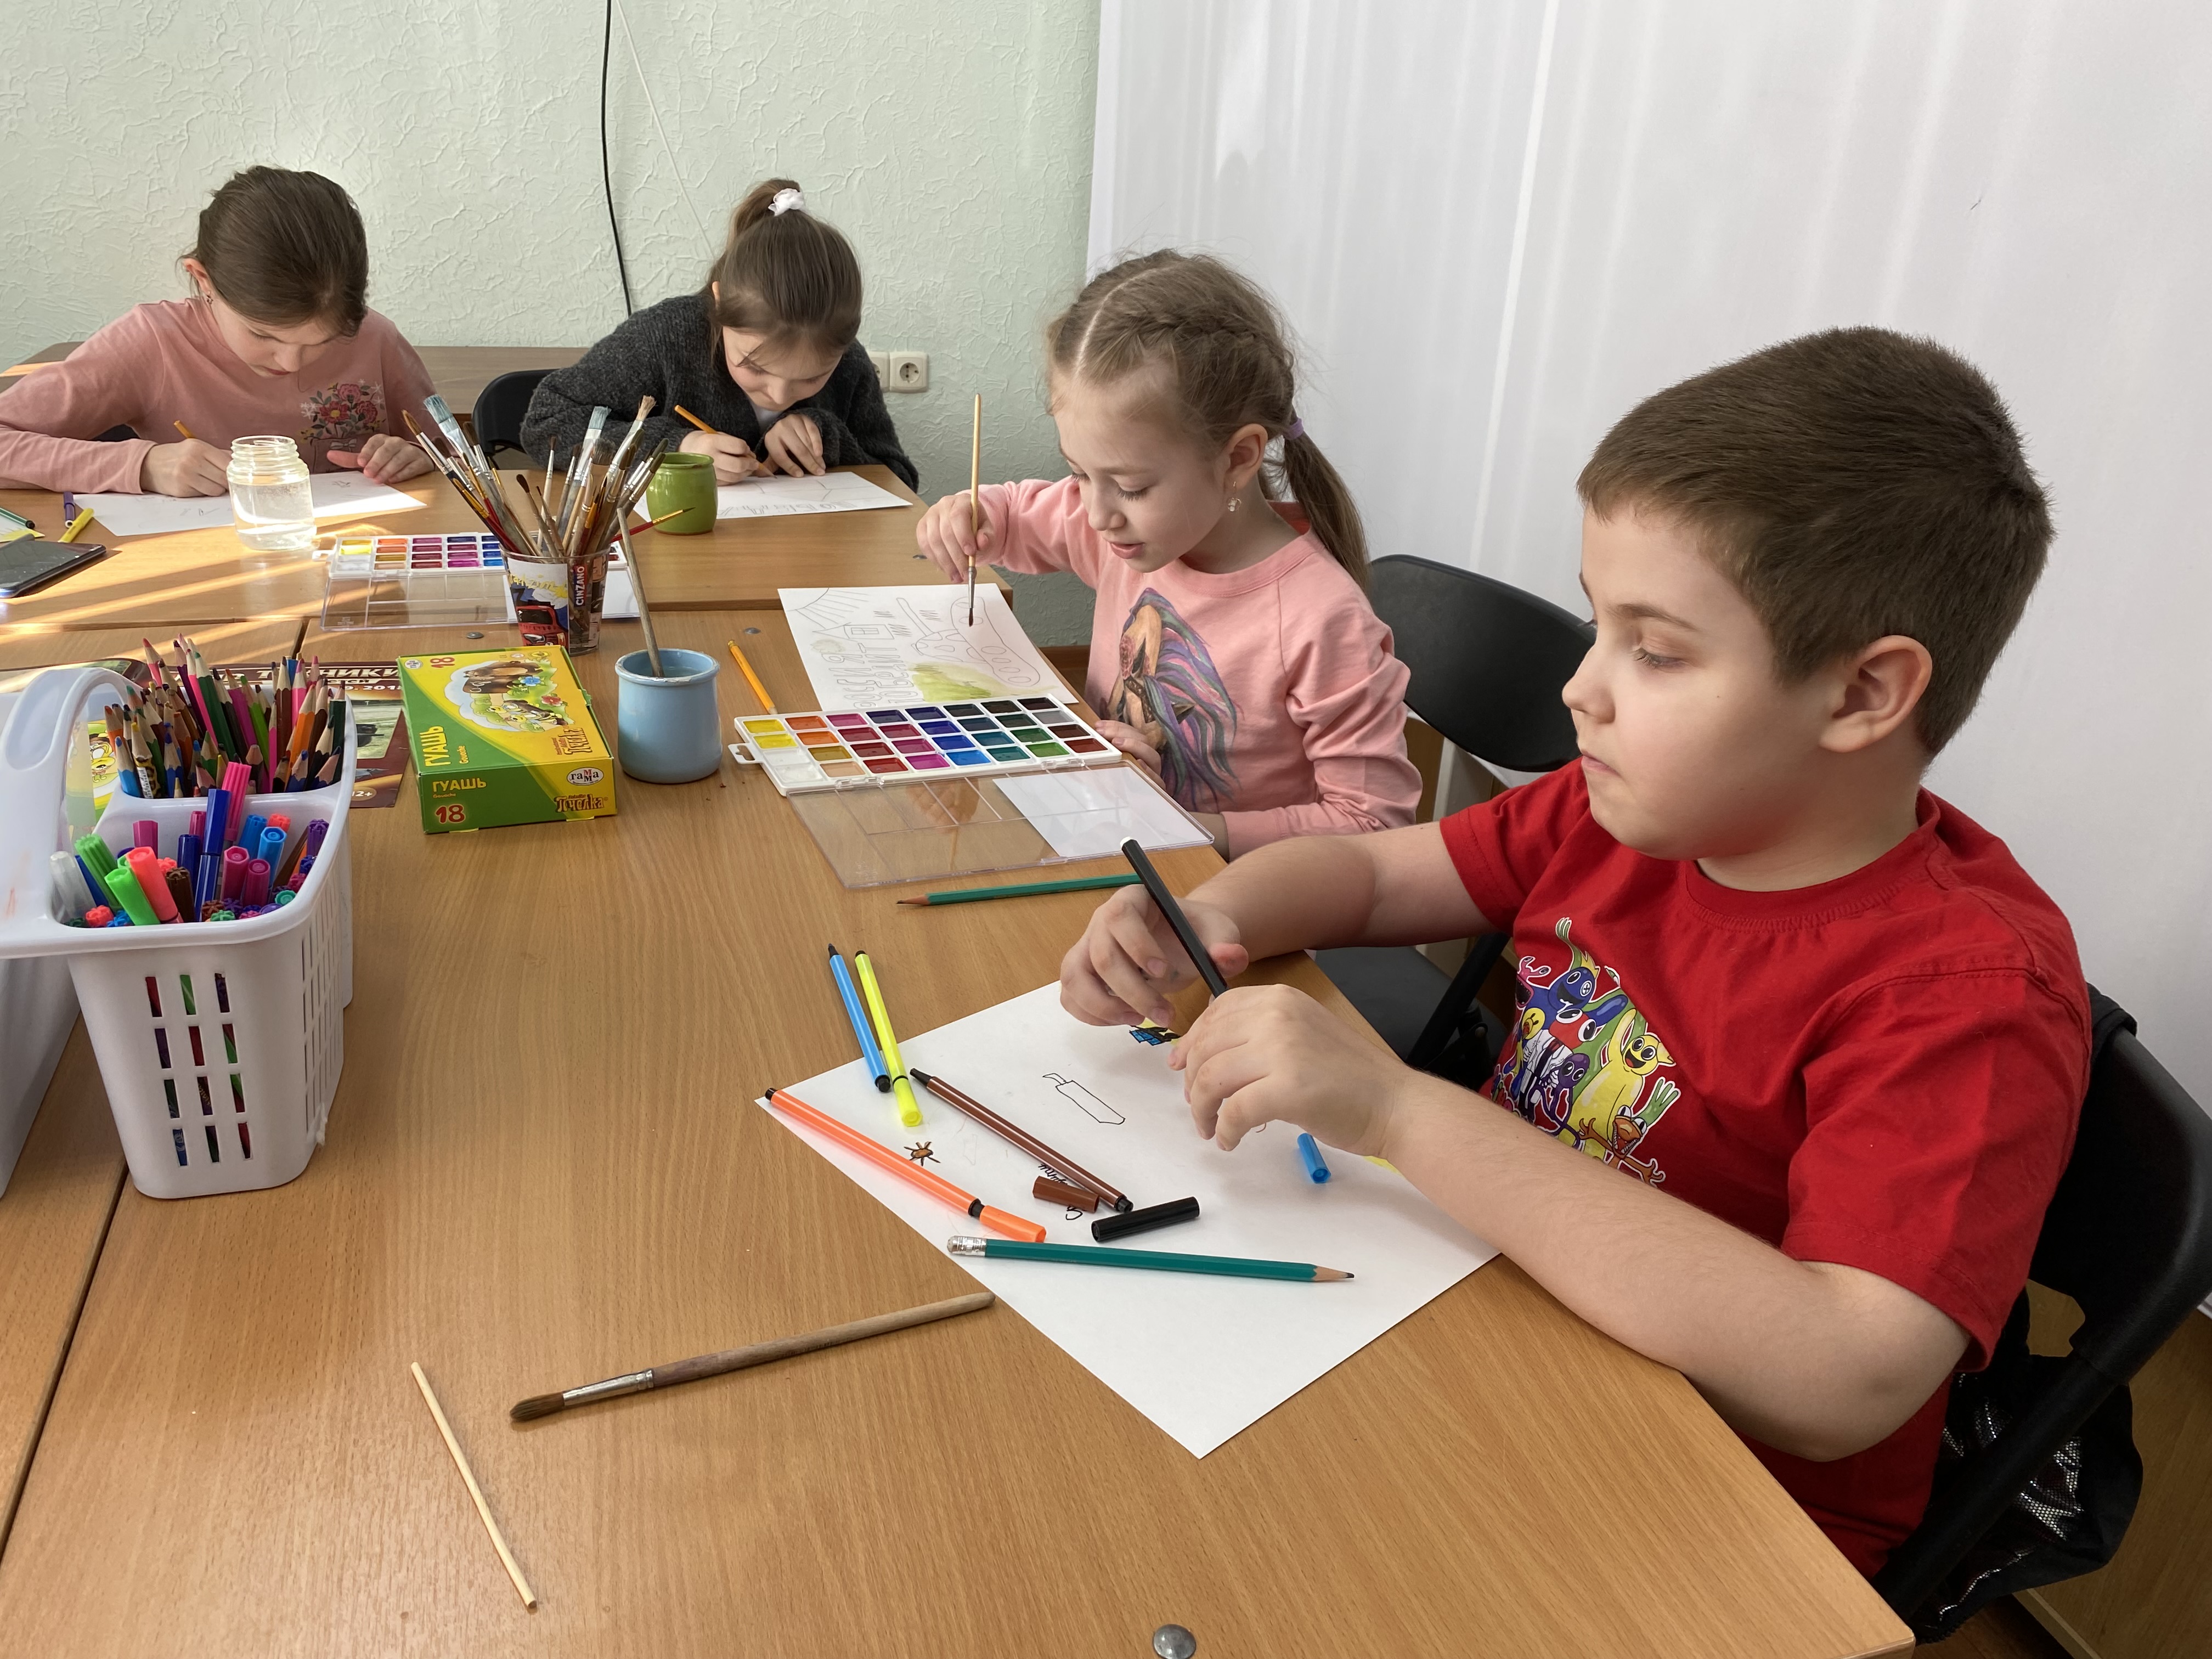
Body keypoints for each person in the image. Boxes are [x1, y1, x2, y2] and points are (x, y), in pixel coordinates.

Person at [1060, 326, 2090, 1575]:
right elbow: (1377, 873)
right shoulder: (1623, 815)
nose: (1581, 688)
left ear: (1863, 693)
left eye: (1654, 650)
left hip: (1711, 1509)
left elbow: (1844, 1370)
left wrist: (1399, 1110)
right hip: (1489, 1316)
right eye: (1601, 626)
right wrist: (1219, 917)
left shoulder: (1967, 992)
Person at [914, 250, 1419, 855]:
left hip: (1227, 892)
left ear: (1237, 459)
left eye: (1130, 487)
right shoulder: (1124, 530)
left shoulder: (1321, 619)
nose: (1096, 513)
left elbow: (1373, 826)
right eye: (1078, 474)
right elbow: (1016, 516)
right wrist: (972, 515)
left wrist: (1181, 826)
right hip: (1113, 839)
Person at [0, 166, 435, 496]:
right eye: (263, 335)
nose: (290, 363)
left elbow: (449, 450)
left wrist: (419, 456)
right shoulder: (153, 343)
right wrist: (143, 466)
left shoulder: (374, 338)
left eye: (321, 341)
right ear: (204, 280)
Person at [523, 178, 915, 489]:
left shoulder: (847, 360)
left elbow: (900, 480)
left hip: (809, 560)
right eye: (755, 367)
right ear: (720, 302)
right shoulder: (666, 338)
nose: (780, 396)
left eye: (812, 378)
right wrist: (677, 448)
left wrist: (826, 437)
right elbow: (546, 422)